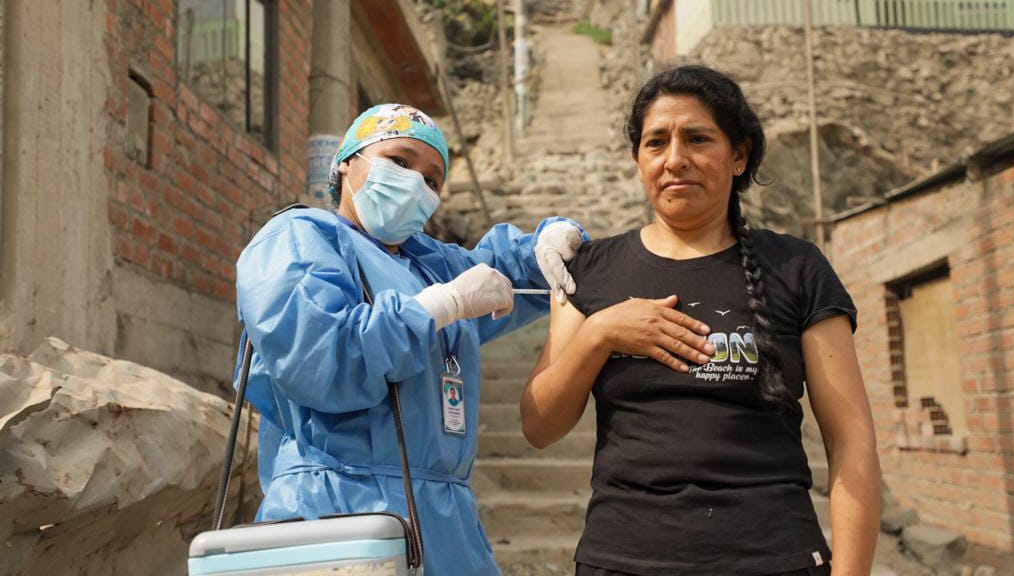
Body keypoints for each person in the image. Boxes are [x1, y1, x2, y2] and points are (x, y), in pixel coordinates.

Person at [520, 66, 881, 576]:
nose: (674, 160)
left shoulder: (796, 268)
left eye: (697, 139)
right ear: (637, 159)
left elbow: (852, 442)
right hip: (622, 559)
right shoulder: (593, 270)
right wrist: (600, 334)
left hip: (774, 557)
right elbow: (539, 426)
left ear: (739, 155)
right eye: (656, 143)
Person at [234, 103, 588, 575]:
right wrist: (438, 307)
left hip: (446, 521)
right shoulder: (298, 238)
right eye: (399, 162)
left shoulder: (427, 264)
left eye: (432, 180)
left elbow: (506, 268)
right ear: (346, 161)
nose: (415, 183)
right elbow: (324, 361)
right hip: (338, 510)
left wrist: (552, 239)